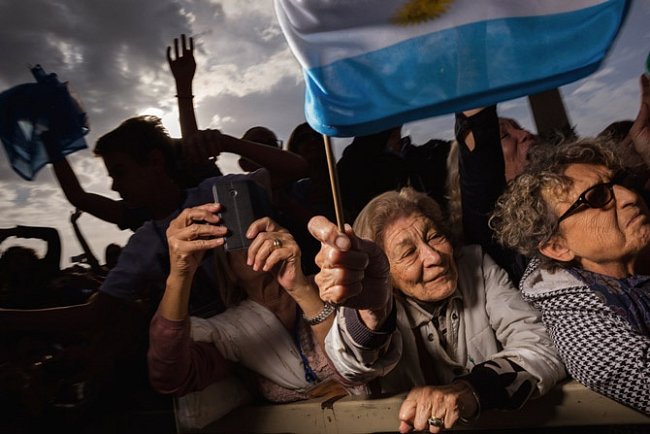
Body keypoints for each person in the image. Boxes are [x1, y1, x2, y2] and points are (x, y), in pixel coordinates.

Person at [308, 187, 566, 432]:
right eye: (408, 253)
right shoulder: (369, 297)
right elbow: (349, 367)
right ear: (385, 273)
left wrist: (471, 390)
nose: (434, 257)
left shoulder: (475, 265)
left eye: (434, 236)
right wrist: (371, 315)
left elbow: (541, 346)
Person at [490, 138, 650, 415]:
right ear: (557, 247)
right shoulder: (587, 337)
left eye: (619, 181)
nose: (629, 197)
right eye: (598, 198)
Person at [147, 199, 351, 404]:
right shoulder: (232, 331)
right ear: (229, 269)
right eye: (241, 238)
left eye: (262, 230)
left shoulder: (330, 284)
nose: (256, 241)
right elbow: (170, 378)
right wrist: (180, 275)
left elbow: (361, 361)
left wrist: (301, 289)